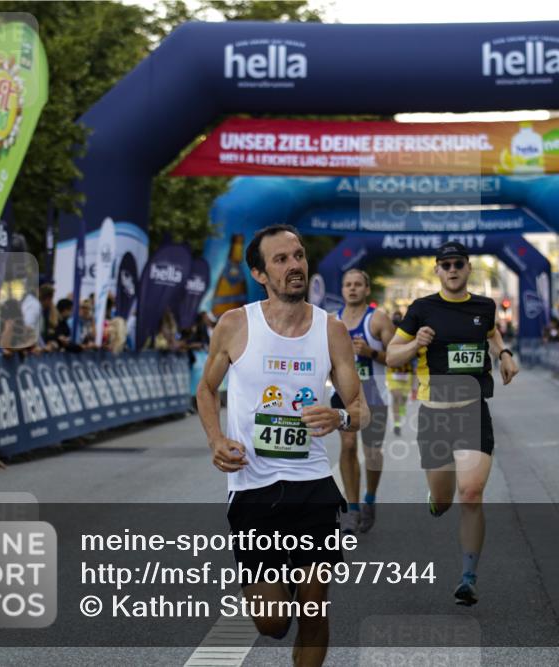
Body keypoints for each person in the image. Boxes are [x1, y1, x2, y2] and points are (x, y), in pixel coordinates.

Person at [195, 224, 369, 667]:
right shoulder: (235, 325)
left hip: (311, 482)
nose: (295, 266)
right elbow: (206, 390)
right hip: (252, 486)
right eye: (281, 259)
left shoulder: (330, 331)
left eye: (298, 255)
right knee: (273, 622)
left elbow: (360, 409)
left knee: (314, 606)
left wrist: (340, 417)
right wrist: (216, 439)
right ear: (259, 273)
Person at [386, 241, 518, 607]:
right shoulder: (422, 309)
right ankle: (436, 499)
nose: (452, 269)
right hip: (435, 413)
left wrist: (504, 355)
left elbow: (491, 332)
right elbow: (391, 354)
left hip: (473, 409)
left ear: (468, 267)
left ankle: (468, 577)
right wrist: (415, 346)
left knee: (472, 493)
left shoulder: (484, 306)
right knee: (445, 500)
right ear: (437, 271)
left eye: (458, 263)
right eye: (445, 264)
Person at [331, 269, 393, 535]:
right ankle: (352, 510)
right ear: (342, 289)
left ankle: (370, 499)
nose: (352, 289)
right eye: (347, 285)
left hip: (374, 393)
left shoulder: (378, 320)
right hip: (343, 395)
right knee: (347, 445)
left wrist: (371, 353)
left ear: (367, 289)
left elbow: (398, 358)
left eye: (358, 284)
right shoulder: (331, 322)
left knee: (372, 452)